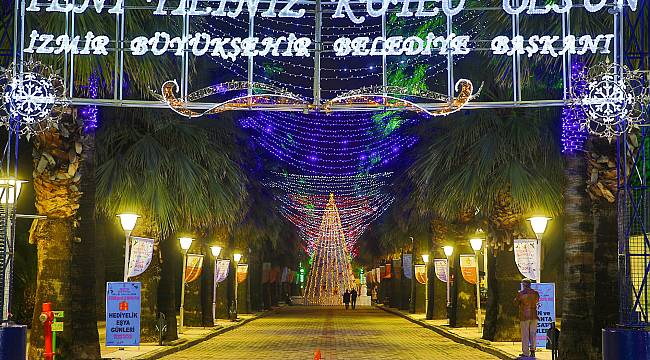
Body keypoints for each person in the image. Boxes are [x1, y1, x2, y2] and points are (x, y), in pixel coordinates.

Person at [514, 278, 540, 358]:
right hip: (534, 315)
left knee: (525, 335)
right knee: (533, 334)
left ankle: (525, 352)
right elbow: (537, 301)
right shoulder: (535, 293)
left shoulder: (521, 293)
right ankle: (533, 351)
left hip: (524, 316)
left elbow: (515, 303)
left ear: (523, 285)